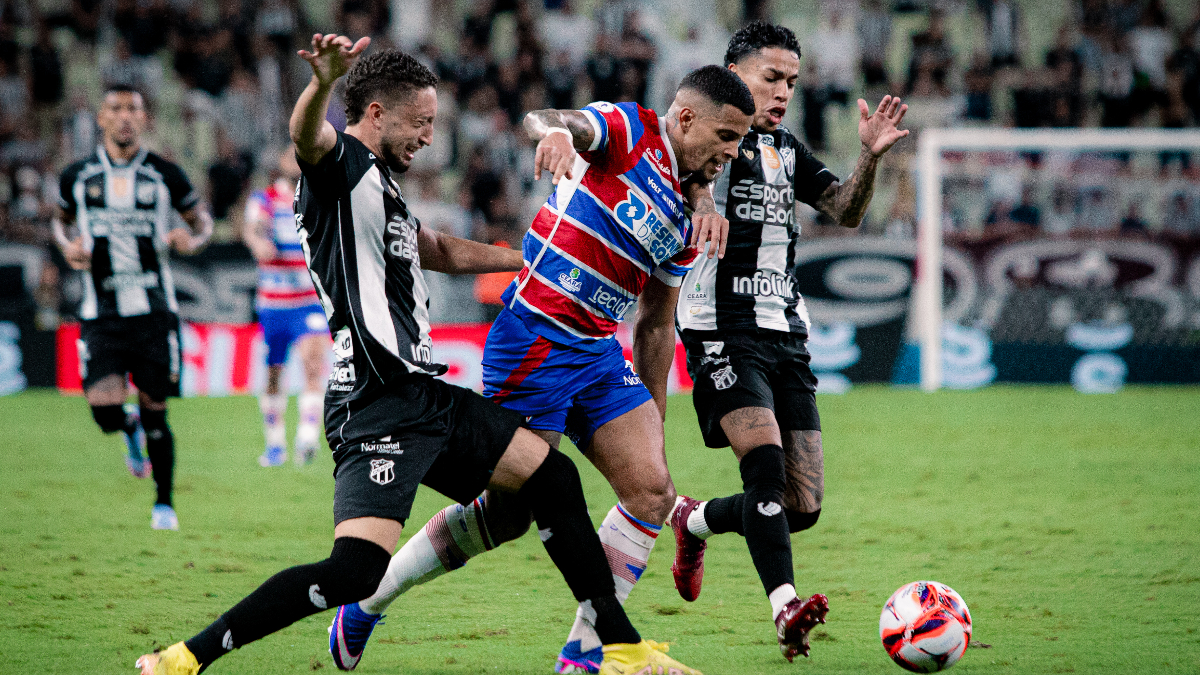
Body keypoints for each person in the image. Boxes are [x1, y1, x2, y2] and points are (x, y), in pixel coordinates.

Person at [136, 35, 701, 675]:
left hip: (421, 393)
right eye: (421, 122)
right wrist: (321, 85)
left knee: (552, 477)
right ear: (375, 113)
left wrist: (530, 256)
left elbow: (437, 248)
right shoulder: (341, 165)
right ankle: (187, 656)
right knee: (353, 569)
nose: (430, 137)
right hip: (374, 404)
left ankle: (613, 646)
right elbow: (307, 140)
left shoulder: (380, 187)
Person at [327, 65, 752, 674]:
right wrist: (553, 133)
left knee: (652, 490)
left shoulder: (693, 215)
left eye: (738, 141)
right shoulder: (630, 128)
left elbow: (657, 325)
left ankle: (585, 656)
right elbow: (555, 120)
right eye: (726, 137)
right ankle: (369, 600)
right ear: (686, 119)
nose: (731, 153)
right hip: (535, 341)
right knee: (508, 515)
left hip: (599, 352)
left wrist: (654, 418)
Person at [667, 22, 910, 663]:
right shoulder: (709, 144)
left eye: (791, 83)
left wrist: (871, 157)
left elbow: (846, 211)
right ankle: (785, 609)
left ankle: (693, 519)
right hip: (721, 328)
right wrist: (699, 201)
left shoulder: (785, 148)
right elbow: (694, 179)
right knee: (766, 465)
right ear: (733, 76)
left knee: (800, 505)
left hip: (785, 332)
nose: (782, 93)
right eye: (770, 78)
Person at [52, 84, 214, 531]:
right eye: (116, 108)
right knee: (104, 410)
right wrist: (69, 247)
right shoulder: (77, 176)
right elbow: (60, 223)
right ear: (101, 118)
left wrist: (192, 238)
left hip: (154, 313)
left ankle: (164, 504)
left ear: (145, 119)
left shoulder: (165, 173)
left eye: (134, 109)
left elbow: (201, 221)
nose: (125, 116)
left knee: (155, 406)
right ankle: (127, 431)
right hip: (100, 313)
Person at [242, 147, 329, 467]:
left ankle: (306, 438)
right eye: (290, 155)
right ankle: (275, 444)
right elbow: (253, 229)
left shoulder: (317, 198)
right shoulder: (264, 199)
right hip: (274, 302)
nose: (296, 161)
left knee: (312, 362)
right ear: (279, 163)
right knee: (274, 374)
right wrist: (258, 243)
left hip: (308, 301)